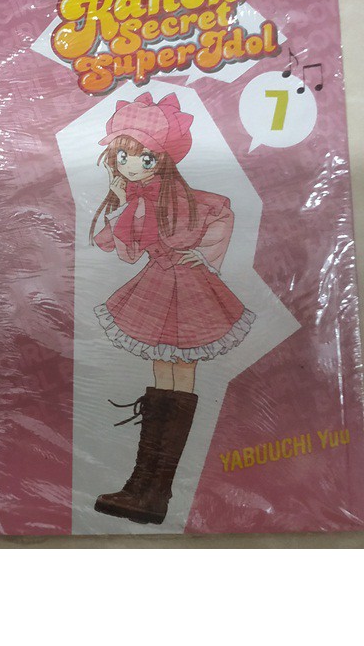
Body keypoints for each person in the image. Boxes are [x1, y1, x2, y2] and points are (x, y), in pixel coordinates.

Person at [91, 92, 255, 524]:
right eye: (123, 156)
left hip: (185, 287)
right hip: (159, 284)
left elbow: (218, 213)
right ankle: (142, 485)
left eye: (143, 157)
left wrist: (205, 254)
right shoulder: (138, 197)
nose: (132, 165)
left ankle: (156, 491)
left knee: (179, 372)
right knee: (163, 374)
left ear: (162, 158)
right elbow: (126, 251)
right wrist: (121, 201)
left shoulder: (172, 196)